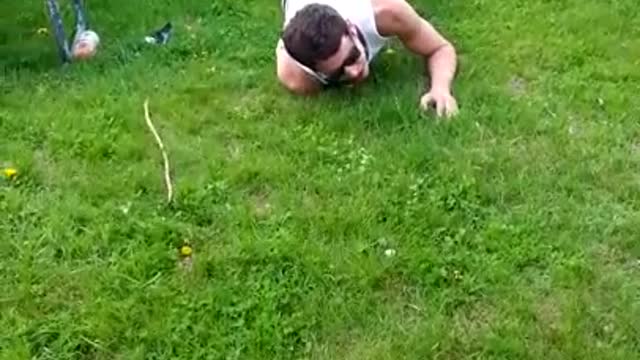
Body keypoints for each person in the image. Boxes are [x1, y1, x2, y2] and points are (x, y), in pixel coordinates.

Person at [276, 0, 459, 118]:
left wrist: (440, 89)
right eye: (337, 73)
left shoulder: (387, 13)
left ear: (352, 29)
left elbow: (440, 48)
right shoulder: (296, 76)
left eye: (352, 56)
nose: (355, 72)